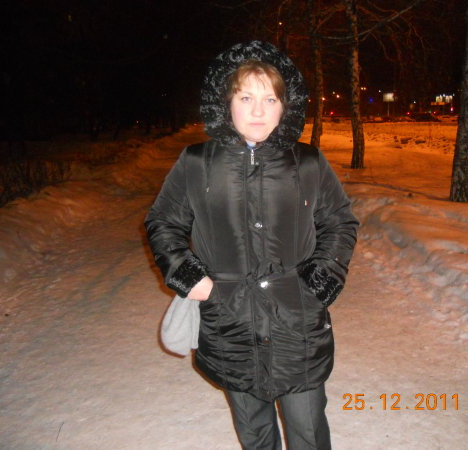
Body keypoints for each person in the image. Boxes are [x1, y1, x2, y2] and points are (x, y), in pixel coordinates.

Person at [145, 41, 358, 450]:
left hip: (297, 321)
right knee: (254, 430)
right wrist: (193, 280)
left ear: (284, 107)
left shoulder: (307, 162)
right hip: (230, 322)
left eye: (270, 99)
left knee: (308, 428)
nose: (258, 111)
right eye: (246, 97)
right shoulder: (196, 162)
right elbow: (163, 222)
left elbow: (339, 221)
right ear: (227, 102)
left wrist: (321, 278)